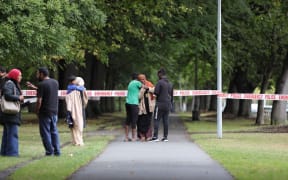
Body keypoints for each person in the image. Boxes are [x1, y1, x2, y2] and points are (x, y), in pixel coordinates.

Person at [35, 67, 61, 156]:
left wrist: (37, 110)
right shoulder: (55, 82)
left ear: (42, 74)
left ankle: (49, 151)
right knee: (54, 131)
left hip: (44, 112)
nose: (37, 75)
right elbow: (48, 91)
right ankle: (57, 151)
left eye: (38, 73)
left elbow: (39, 100)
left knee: (45, 132)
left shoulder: (41, 84)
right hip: (54, 111)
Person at [0, 69, 24, 156]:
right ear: (14, 76)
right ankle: (12, 153)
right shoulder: (10, 83)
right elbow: (7, 95)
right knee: (13, 134)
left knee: (7, 134)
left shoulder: (10, 83)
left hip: (9, 115)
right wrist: (19, 98)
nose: (21, 77)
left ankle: (4, 152)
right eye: (19, 75)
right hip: (11, 114)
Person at [150, 68, 173, 142]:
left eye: (158, 74)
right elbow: (172, 95)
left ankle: (155, 137)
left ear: (160, 74)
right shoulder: (170, 84)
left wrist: (152, 96)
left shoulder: (159, 82)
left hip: (160, 104)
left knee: (156, 119)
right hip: (168, 104)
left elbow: (156, 93)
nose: (157, 76)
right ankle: (165, 137)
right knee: (165, 120)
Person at [65, 76, 88, 146]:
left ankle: (77, 140)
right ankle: (77, 141)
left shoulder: (73, 87)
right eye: (75, 81)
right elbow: (80, 88)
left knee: (76, 124)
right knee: (75, 123)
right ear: (72, 82)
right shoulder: (71, 87)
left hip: (76, 108)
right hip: (73, 109)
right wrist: (82, 87)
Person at [124, 73, 143, 141]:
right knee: (134, 120)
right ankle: (133, 137)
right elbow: (144, 87)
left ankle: (126, 137)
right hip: (134, 103)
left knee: (128, 119)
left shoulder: (130, 83)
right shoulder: (137, 83)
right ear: (137, 78)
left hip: (127, 103)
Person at [137, 74, 155, 141]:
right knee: (141, 121)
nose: (143, 80)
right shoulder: (138, 86)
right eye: (141, 79)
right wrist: (142, 89)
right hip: (142, 107)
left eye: (144, 79)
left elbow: (154, 90)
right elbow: (139, 96)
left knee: (148, 120)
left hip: (149, 106)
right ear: (139, 80)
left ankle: (148, 136)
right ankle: (142, 136)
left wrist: (148, 88)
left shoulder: (149, 83)